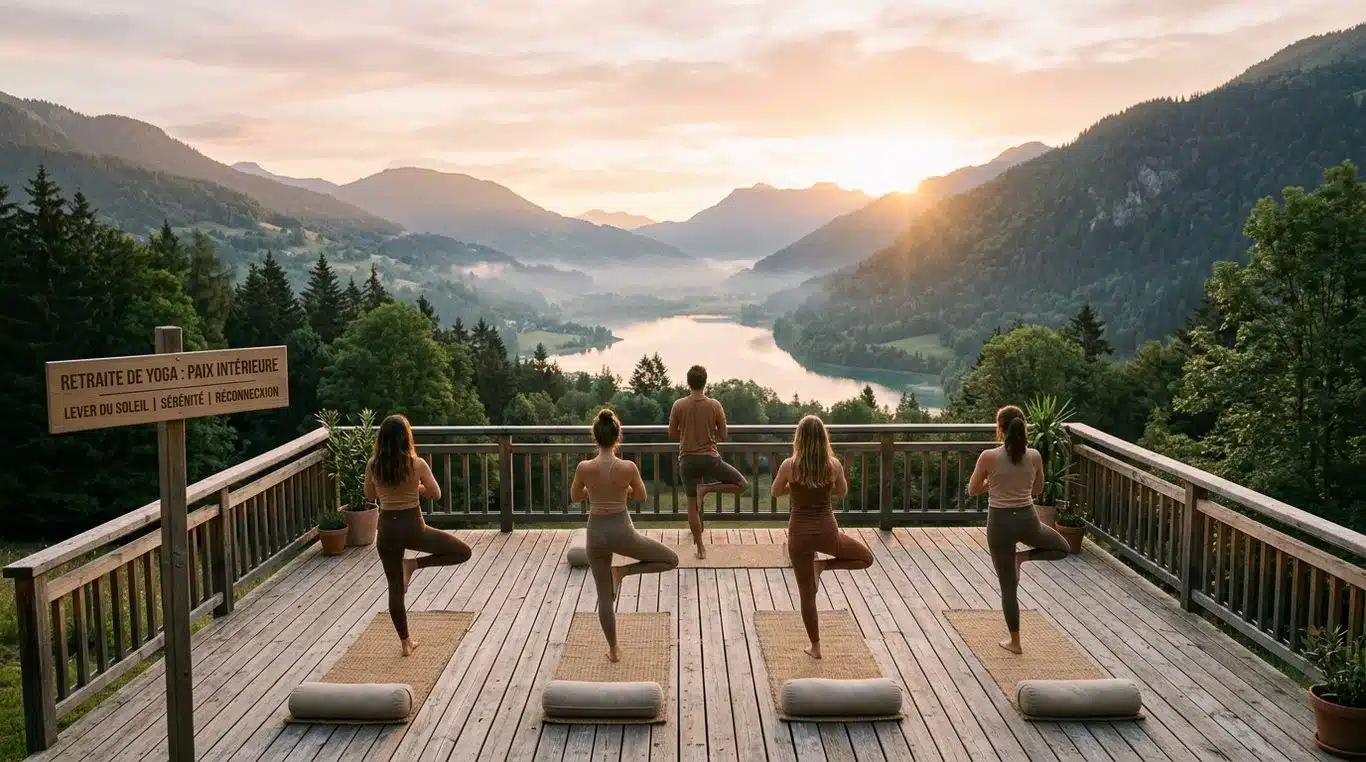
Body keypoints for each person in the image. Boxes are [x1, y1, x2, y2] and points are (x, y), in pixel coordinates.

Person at [573, 409, 679, 662]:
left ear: (595, 437)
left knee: (604, 597)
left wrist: (591, 491)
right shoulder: (628, 467)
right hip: (622, 531)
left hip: (595, 533)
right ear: (618, 436)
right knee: (671, 560)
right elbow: (641, 496)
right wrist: (627, 488)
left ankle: (613, 650)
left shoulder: (584, 467)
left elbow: (576, 497)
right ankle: (623, 572)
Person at [365, 414, 472, 656]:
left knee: (394, 587)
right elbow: (435, 494)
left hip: (387, 531)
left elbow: (369, 495)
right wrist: (417, 487)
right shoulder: (417, 464)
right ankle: (413, 564)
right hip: (413, 527)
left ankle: (405, 643)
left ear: (381, 438)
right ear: (407, 438)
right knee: (463, 552)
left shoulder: (373, 465)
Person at [967, 404, 1070, 654]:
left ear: (1000, 429)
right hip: (1027, 520)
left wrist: (994, 484)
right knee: (1063, 548)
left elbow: (972, 490)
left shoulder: (988, 457)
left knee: (1008, 587)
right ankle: (1022, 558)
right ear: (1024, 428)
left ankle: (1015, 642)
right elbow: (1037, 490)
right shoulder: (1034, 456)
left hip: (999, 525)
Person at [771, 414, 873, 659]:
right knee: (866, 558)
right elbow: (842, 490)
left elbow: (775, 492)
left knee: (807, 594)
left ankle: (815, 647)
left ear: (800, 438)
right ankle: (824, 565)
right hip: (828, 533)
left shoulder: (789, 465)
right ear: (823, 438)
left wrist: (794, 487)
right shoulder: (833, 465)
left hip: (798, 536)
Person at [669, 365, 748, 559]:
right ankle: (708, 488)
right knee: (742, 484)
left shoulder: (679, 405)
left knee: (691, 505)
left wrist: (687, 434)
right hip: (710, 458)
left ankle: (701, 549)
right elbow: (724, 434)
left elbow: (672, 433)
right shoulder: (714, 405)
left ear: (688, 383)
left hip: (687, 461)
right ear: (705, 382)